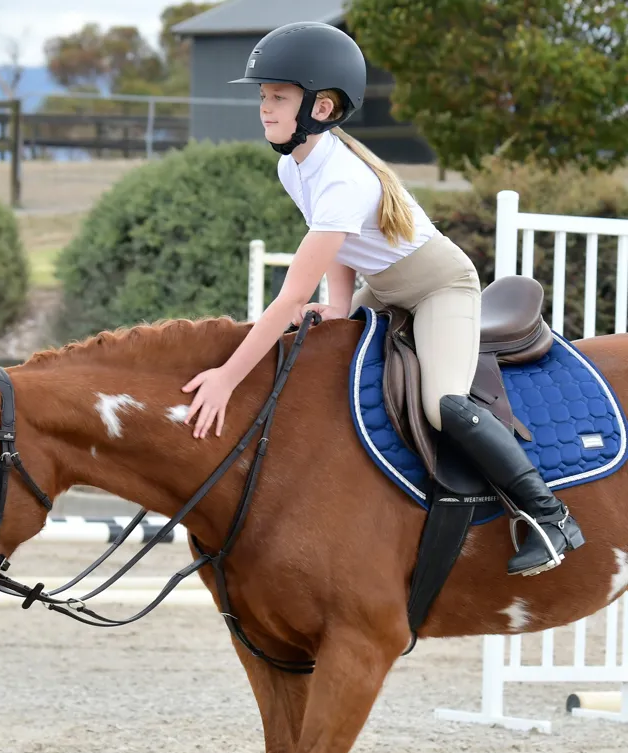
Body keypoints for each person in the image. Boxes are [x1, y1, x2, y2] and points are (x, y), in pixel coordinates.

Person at [181, 21, 584, 577]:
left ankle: (549, 515)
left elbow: (290, 298)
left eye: (277, 97)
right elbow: (342, 248)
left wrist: (227, 376)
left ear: (321, 108)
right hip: (387, 285)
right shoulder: (293, 166)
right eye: (262, 96)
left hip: (439, 286)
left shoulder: (343, 178)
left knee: (441, 404)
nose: (264, 108)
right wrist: (343, 307)